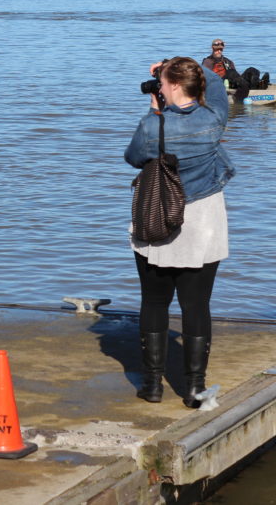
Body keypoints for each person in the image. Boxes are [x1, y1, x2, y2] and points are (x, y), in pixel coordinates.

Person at [125, 57, 234, 408]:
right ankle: (194, 390)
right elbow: (217, 87)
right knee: (197, 304)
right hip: (204, 220)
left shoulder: (153, 126)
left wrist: (154, 113)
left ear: (170, 86)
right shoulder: (214, 119)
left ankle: (153, 386)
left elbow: (134, 158)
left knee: (154, 302)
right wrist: (173, 66)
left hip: (157, 215)